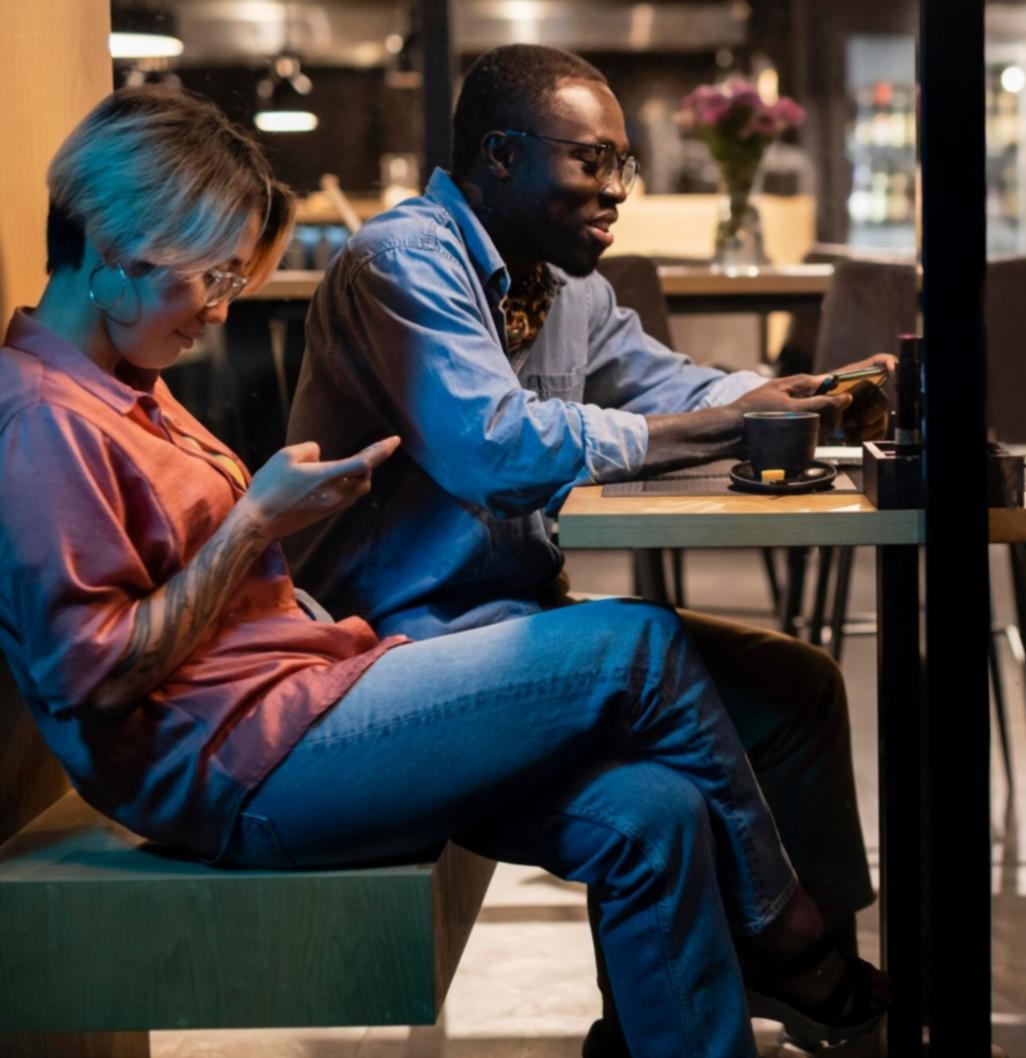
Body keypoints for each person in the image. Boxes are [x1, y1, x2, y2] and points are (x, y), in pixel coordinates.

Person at [0, 85, 884, 1058]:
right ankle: (784, 933)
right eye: (204, 277)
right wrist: (255, 522)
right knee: (641, 644)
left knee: (656, 811)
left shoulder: (125, 387)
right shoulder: (43, 418)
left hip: (308, 699)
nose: (216, 310)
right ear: (112, 251)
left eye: (227, 282)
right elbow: (84, 675)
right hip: (242, 767)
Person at [282, 45, 890, 1053]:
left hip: (518, 627)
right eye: (590, 163)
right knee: (649, 704)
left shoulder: (563, 287)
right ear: (500, 156)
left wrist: (794, 397)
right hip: (393, 651)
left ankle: (800, 981)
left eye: (623, 167)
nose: (616, 193)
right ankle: (790, 947)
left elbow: (670, 385)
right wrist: (717, 432)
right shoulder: (401, 262)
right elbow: (494, 448)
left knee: (796, 691)